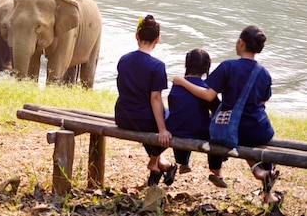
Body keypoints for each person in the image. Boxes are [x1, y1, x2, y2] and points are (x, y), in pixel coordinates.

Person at [173, 25, 279, 204]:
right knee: (256, 142)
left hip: (232, 130)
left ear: (241, 43)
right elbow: (262, 101)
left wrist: (183, 82)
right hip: (258, 129)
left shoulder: (228, 66)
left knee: (217, 128)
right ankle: (267, 193)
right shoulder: (264, 73)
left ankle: (223, 170)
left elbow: (208, 95)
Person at [115, 15, 177, 186]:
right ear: (157, 40)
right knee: (176, 123)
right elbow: (155, 98)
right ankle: (154, 161)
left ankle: (160, 164)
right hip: (143, 120)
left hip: (122, 117)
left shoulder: (124, 60)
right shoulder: (157, 66)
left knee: (147, 118)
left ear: (137, 36)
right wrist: (163, 129)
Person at [166, 48, 227, 188]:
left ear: (186, 65)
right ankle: (216, 169)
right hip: (199, 132)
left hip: (176, 130)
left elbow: (175, 107)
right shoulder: (206, 88)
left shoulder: (176, 86)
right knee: (215, 129)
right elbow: (218, 110)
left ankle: (183, 161)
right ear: (206, 68)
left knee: (181, 119)